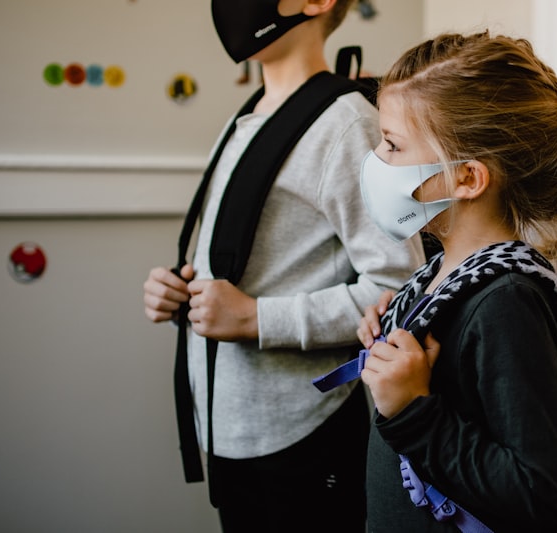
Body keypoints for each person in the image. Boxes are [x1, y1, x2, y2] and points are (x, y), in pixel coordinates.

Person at [142, 1, 424, 531]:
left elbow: (400, 287)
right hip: (227, 426)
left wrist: (255, 319)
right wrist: (179, 288)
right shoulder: (244, 118)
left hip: (301, 431)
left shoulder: (345, 124)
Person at [355, 31, 557, 532]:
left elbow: (535, 495)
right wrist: (397, 323)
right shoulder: (447, 272)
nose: (376, 159)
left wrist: (413, 411)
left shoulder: (507, 303)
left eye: (392, 145)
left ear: (468, 178)